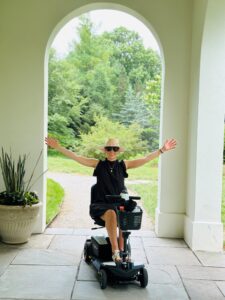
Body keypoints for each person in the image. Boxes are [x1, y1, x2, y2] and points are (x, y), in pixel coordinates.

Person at [45, 136, 177, 262]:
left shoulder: (123, 165)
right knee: (112, 213)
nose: (112, 151)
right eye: (109, 149)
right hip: (101, 204)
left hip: (118, 203)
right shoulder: (98, 164)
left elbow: (145, 159)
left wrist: (162, 150)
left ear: (118, 151)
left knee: (124, 212)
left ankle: (122, 250)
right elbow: (77, 157)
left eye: (115, 149)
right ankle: (115, 252)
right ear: (105, 151)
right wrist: (58, 147)